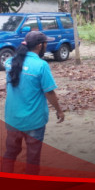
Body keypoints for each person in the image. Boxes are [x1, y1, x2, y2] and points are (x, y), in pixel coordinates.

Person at [2, 31, 65, 175]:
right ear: (40, 46)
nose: (46, 45)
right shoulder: (41, 65)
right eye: (46, 43)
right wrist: (59, 110)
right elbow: (49, 92)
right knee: (33, 157)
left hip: (13, 119)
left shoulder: (10, 62)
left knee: (10, 153)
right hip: (34, 120)